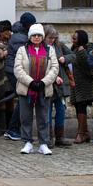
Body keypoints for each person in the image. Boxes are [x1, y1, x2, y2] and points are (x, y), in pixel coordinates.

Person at [14, 23, 59, 155]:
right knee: (25, 117)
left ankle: (43, 143)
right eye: (34, 35)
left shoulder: (50, 49)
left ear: (42, 36)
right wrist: (31, 82)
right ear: (30, 37)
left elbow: (54, 68)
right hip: (26, 88)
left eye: (39, 35)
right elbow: (18, 69)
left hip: (43, 89)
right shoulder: (22, 50)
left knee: (43, 117)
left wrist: (44, 82)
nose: (37, 37)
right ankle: (27, 142)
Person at [4, 12, 37, 141]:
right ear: (28, 25)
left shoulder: (21, 35)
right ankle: (13, 129)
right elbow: (24, 57)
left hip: (14, 70)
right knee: (23, 98)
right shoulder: (20, 38)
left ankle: (13, 129)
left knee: (22, 98)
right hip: (15, 71)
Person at [44, 25, 75, 148]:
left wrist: (64, 58)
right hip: (48, 83)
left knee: (61, 110)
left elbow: (73, 56)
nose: (52, 40)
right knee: (47, 112)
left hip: (60, 86)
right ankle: (48, 137)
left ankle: (60, 137)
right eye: (50, 37)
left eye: (54, 38)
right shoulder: (41, 47)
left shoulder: (59, 45)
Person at [70, 30, 93, 144]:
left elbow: (88, 65)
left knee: (81, 105)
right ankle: (85, 133)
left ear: (81, 39)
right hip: (76, 84)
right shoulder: (73, 49)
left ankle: (80, 134)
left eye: (75, 38)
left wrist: (82, 52)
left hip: (86, 83)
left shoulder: (89, 48)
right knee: (77, 106)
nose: (72, 39)